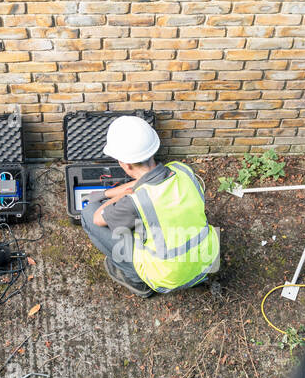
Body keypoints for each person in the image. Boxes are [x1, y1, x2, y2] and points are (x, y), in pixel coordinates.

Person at [79, 115, 219, 296]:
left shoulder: (136, 201)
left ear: (125, 164)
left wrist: (116, 197)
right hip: (205, 263)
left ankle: (138, 281)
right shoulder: (183, 171)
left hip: (167, 277)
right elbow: (143, 182)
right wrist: (105, 193)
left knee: (87, 214)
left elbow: (98, 218)